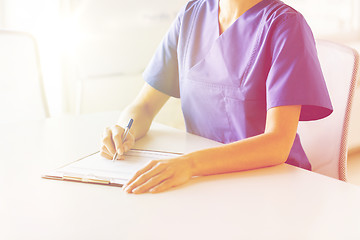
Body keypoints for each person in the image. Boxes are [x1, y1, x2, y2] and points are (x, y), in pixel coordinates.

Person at [100, 0, 333, 194]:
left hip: (273, 183)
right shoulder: (192, 15)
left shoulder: (285, 25)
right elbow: (146, 105)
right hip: (205, 180)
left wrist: (189, 164)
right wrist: (124, 129)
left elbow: (278, 143)